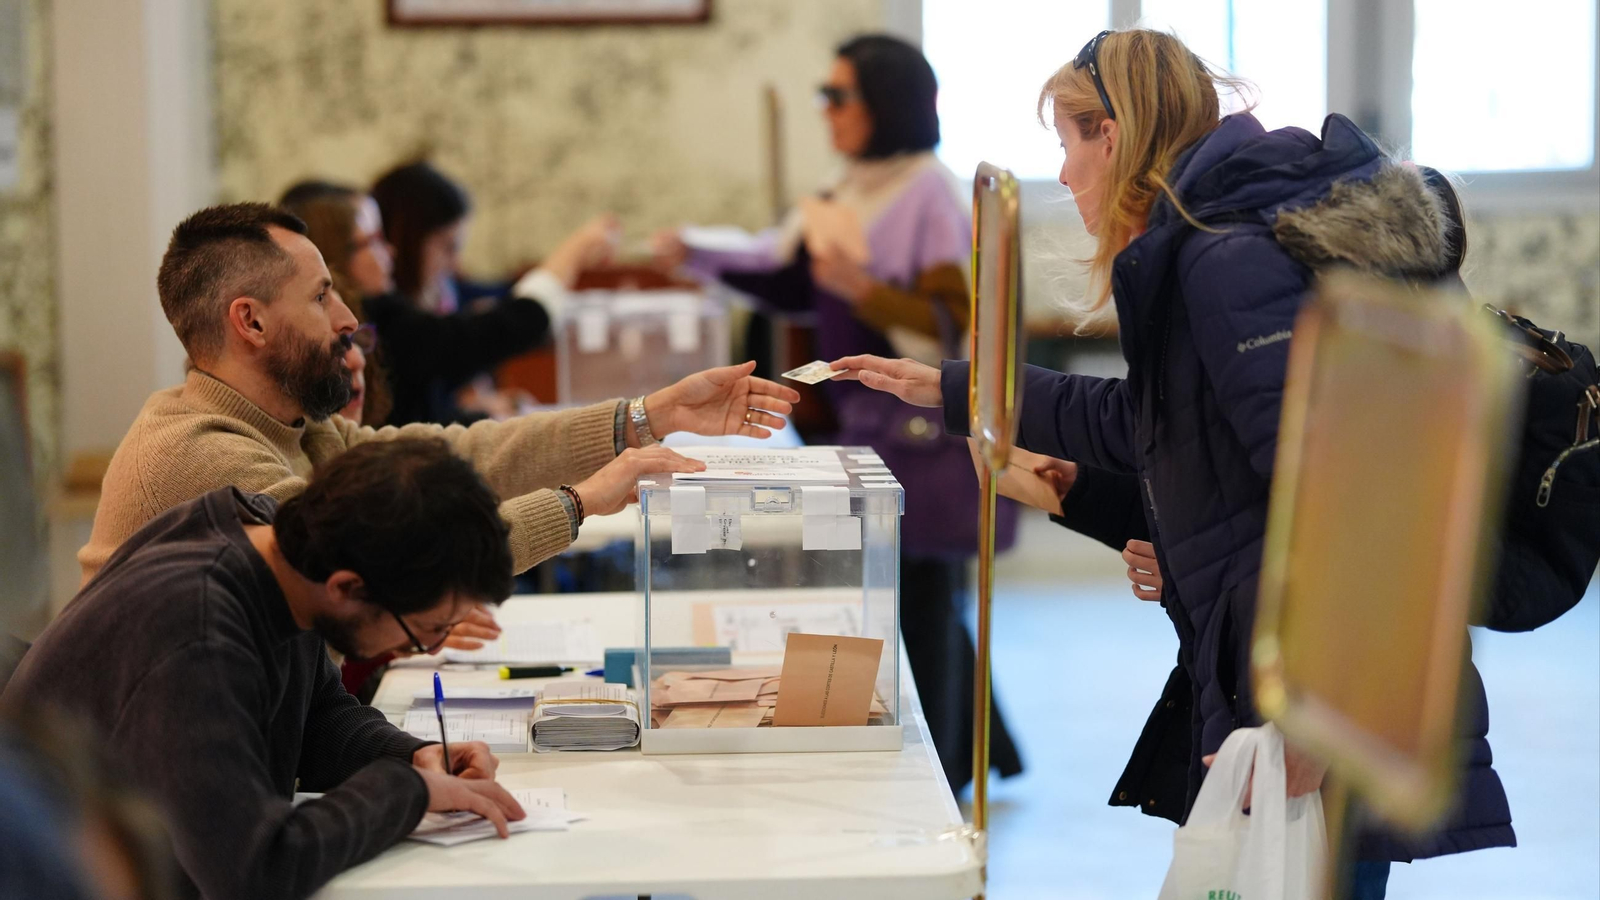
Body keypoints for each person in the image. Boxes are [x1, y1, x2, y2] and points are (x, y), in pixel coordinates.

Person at [835, 28, 1513, 895]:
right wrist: (961, 390)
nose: (1068, 176)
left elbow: (1339, 485)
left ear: (1110, 136)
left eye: (1069, 146)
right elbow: (1162, 426)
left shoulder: (1227, 258)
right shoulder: (1210, 241)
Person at [655, 33, 1023, 793]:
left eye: (838, 96)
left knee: (923, 604)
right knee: (917, 604)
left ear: (881, 104)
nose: (826, 110)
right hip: (872, 426)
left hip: (919, 429)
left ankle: (945, 782)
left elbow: (959, 321)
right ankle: (968, 759)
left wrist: (863, 290)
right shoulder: (854, 184)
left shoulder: (927, 191)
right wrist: (696, 252)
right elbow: (791, 277)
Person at [77, 203, 800, 585]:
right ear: (251, 320)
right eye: (323, 297)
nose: (348, 320)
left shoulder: (300, 428)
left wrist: (645, 418)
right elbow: (388, 560)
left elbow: (450, 458)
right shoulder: (201, 458)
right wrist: (582, 501)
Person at [7, 440, 539, 899]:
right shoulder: (200, 630)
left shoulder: (279, 549)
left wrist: (413, 754)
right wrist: (409, 791)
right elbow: (254, 872)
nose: (428, 646)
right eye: (427, 628)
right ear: (348, 588)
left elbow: (319, 720)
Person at [284, 175, 614, 427]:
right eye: (372, 241)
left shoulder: (390, 314)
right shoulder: (381, 321)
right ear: (332, 256)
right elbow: (502, 327)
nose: (390, 253)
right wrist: (578, 249)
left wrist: (480, 414)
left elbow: (419, 420)